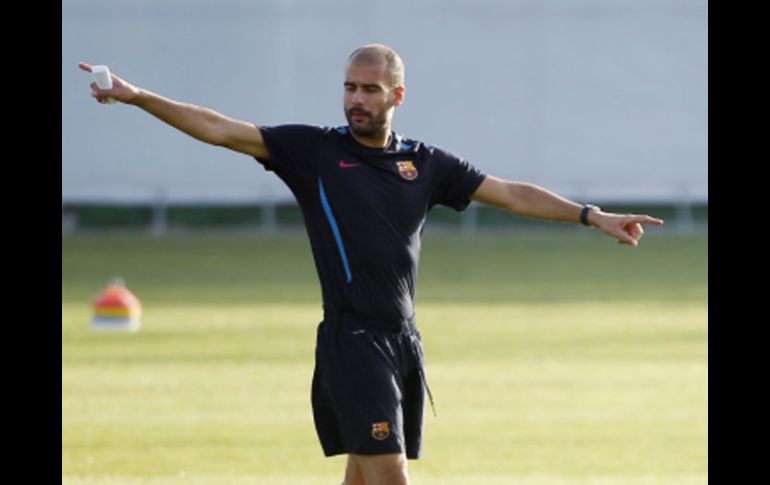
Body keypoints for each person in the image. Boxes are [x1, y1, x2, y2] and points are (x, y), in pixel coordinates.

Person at [79, 44, 664, 485]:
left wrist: (592, 216)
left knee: (363, 479)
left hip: (403, 339)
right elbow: (218, 128)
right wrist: (139, 96)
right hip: (352, 341)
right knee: (392, 480)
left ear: (396, 97)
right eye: (349, 88)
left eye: (369, 90)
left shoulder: (426, 163)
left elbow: (511, 193)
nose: (356, 99)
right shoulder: (313, 152)